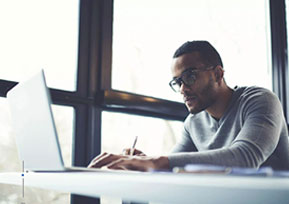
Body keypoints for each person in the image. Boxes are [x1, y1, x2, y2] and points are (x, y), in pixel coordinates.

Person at [88, 41, 289, 171]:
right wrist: (144, 161)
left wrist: (158, 161)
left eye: (190, 77)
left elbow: (246, 158)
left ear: (218, 74)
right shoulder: (193, 123)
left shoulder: (260, 100)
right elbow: (174, 164)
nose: (183, 89)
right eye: (177, 82)